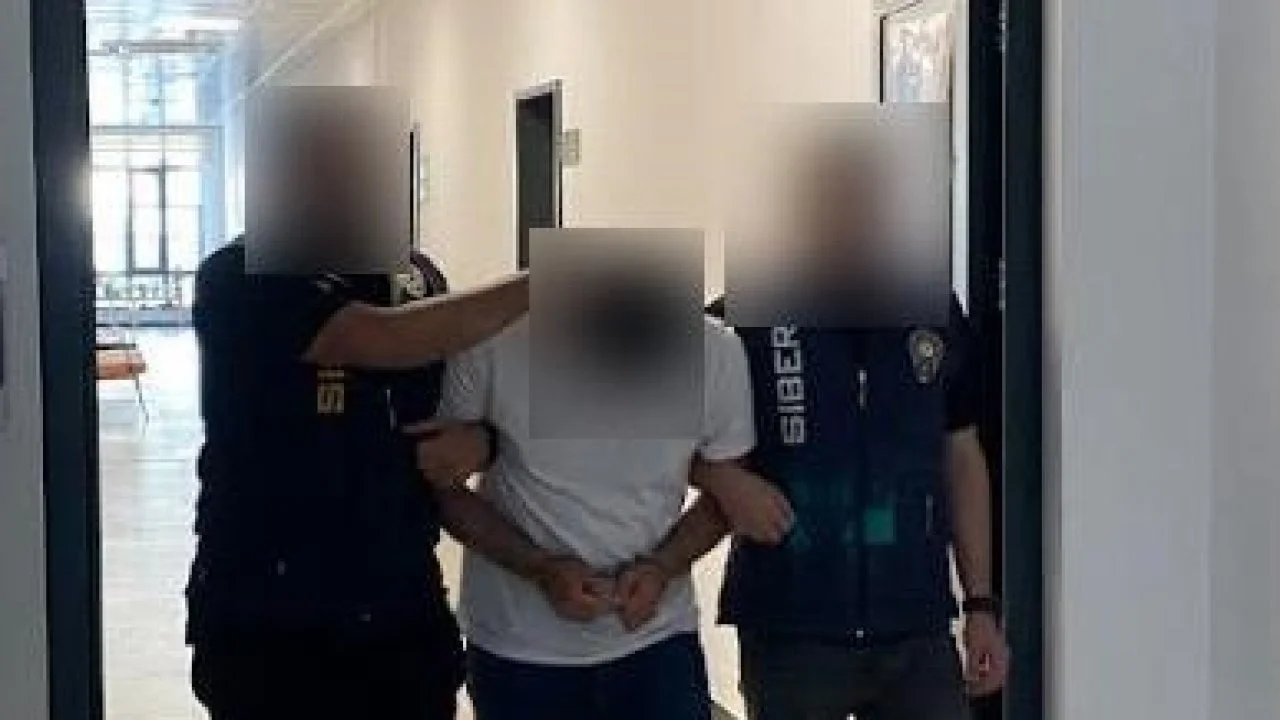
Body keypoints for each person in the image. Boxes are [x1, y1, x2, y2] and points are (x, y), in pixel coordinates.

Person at [185, 94, 528, 720]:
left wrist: (483, 440)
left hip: (395, 599)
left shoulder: (414, 277)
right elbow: (378, 339)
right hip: (268, 608)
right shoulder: (238, 276)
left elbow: (451, 390)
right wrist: (544, 283)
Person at [711, 130, 1011, 720]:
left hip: (915, 623)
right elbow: (666, 428)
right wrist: (725, 481)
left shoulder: (931, 309)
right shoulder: (748, 314)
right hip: (792, 622)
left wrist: (979, 605)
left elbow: (962, 455)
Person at [412, 263, 793, 720]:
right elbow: (444, 489)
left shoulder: (716, 352)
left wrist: (663, 566)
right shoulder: (492, 341)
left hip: (656, 641)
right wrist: (538, 567)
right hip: (519, 647)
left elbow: (726, 492)